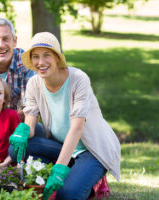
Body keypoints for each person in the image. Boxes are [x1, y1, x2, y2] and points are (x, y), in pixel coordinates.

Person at [9, 32, 121, 200]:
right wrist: (24, 130)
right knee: (15, 149)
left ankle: (87, 176)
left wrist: (59, 169)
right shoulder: (34, 84)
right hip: (62, 147)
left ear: (56, 58)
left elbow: (77, 128)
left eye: (47, 55)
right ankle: (76, 173)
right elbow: (31, 125)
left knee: (67, 195)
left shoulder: (79, 79)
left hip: (91, 150)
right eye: (36, 56)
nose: (41, 62)